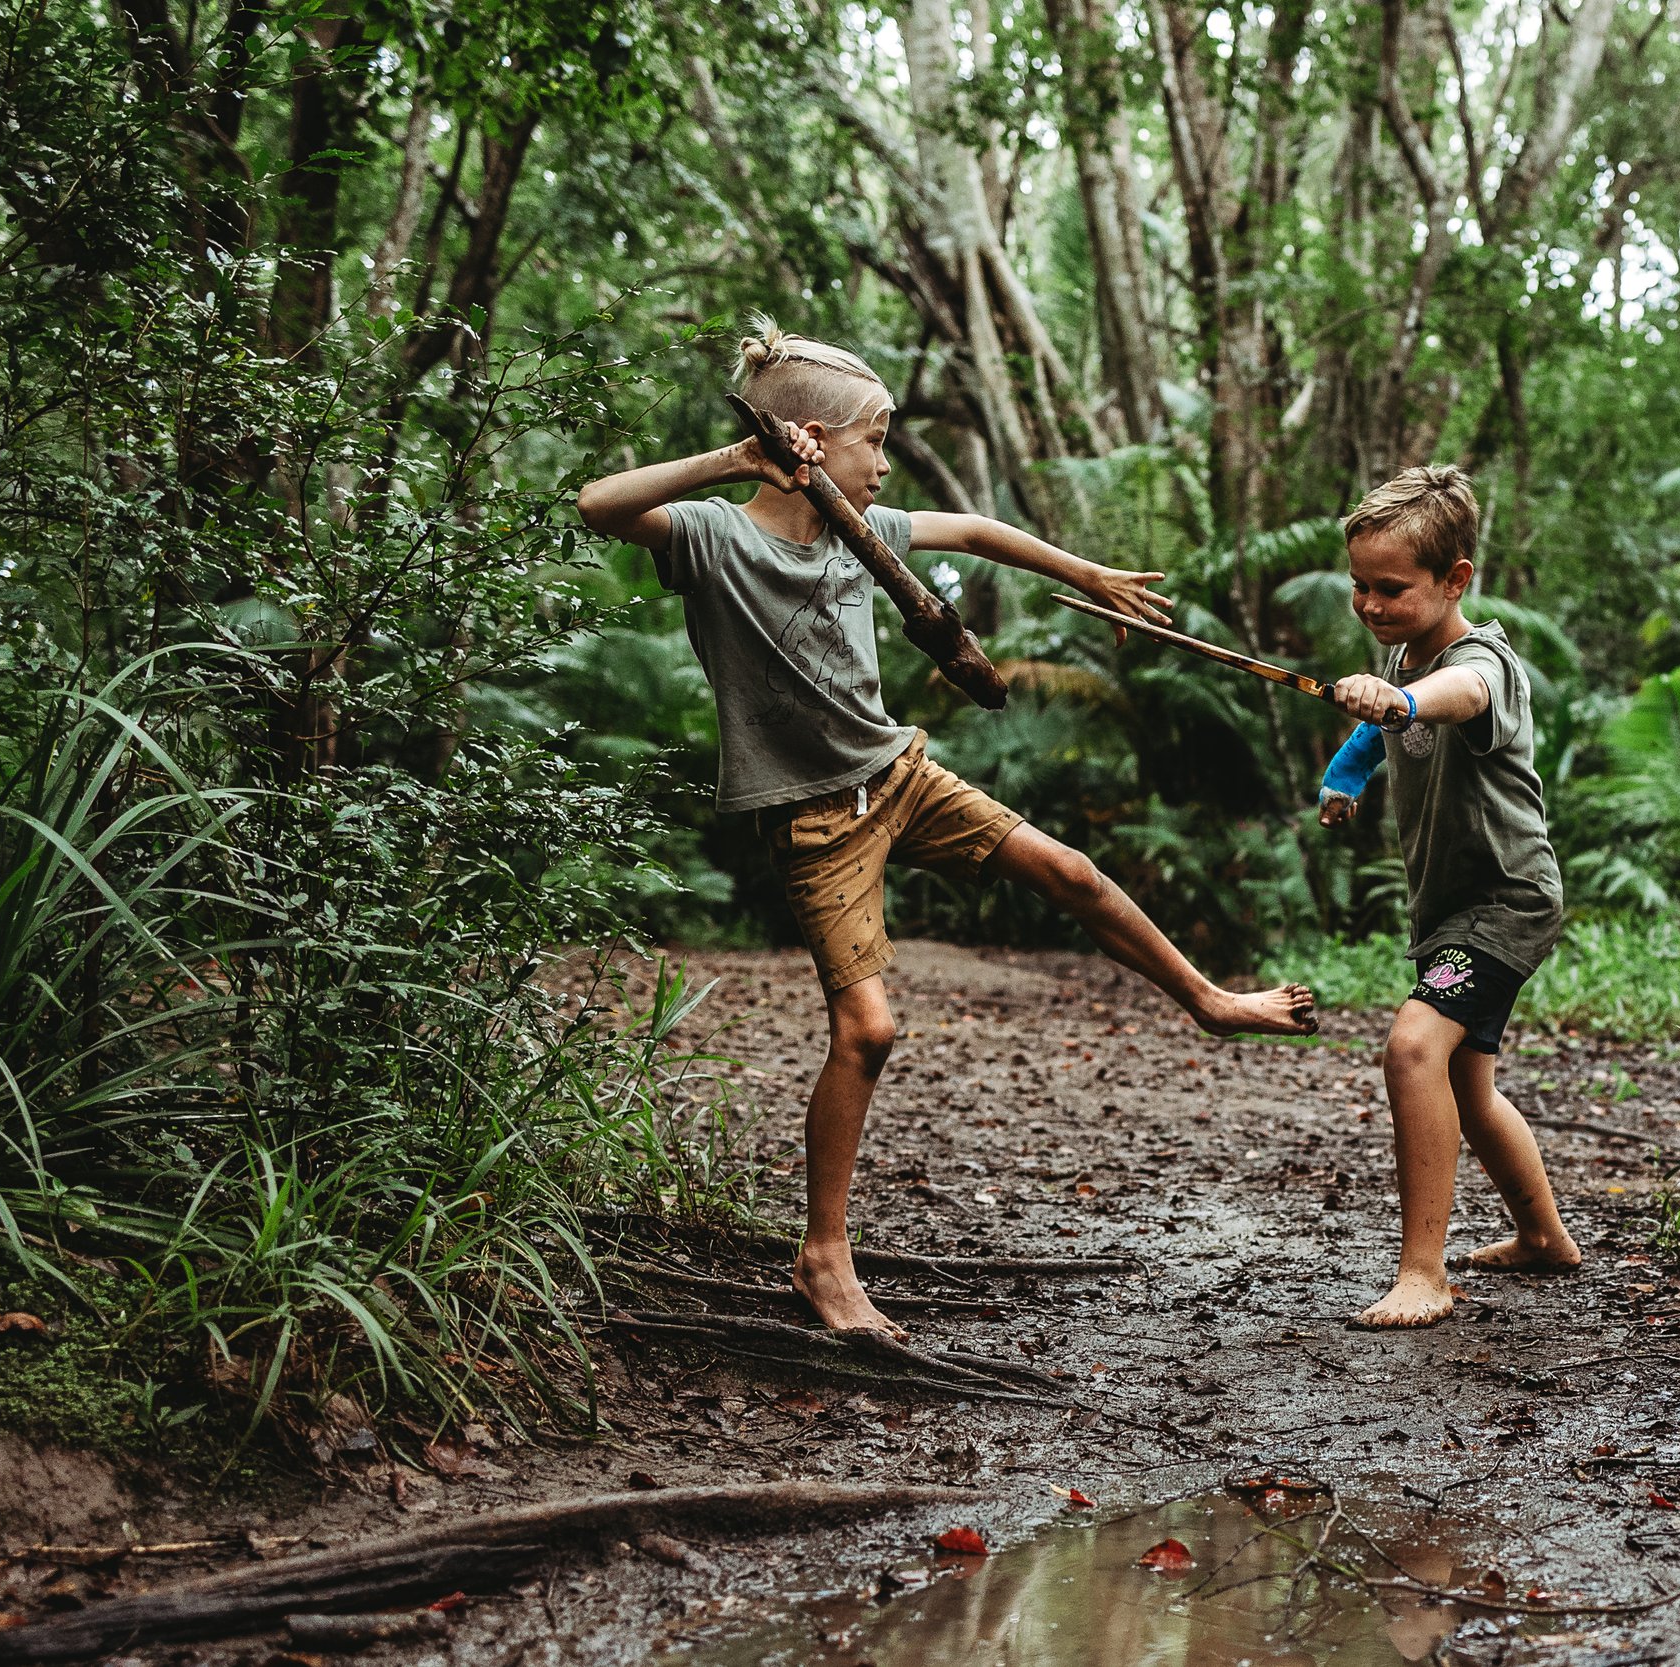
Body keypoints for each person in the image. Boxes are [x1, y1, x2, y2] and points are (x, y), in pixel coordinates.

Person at [575, 321, 1317, 1336]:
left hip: (902, 771)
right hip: (817, 816)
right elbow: (597, 504)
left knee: (1072, 870)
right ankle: (823, 1259)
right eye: (871, 440)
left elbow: (973, 530)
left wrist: (1085, 574)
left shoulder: (860, 532)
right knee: (869, 1029)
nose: (882, 463)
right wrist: (735, 460)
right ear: (804, 439)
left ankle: (1208, 998)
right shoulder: (714, 535)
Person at [1315, 466, 1582, 1328]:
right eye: (1359, 584)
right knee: (1470, 1090)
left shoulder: (1481, 665)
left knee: (1413, 1046)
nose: (1370, 601)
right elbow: (1376, 725)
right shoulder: (1405, 657)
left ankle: (1422, 1272)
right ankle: (1544, 1238)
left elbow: (1451, 700)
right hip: (1448, 911)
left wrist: (1400, 698)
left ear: (1454, 579)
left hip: (1507, 901)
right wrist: (1343, 779)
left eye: (1391, 587)